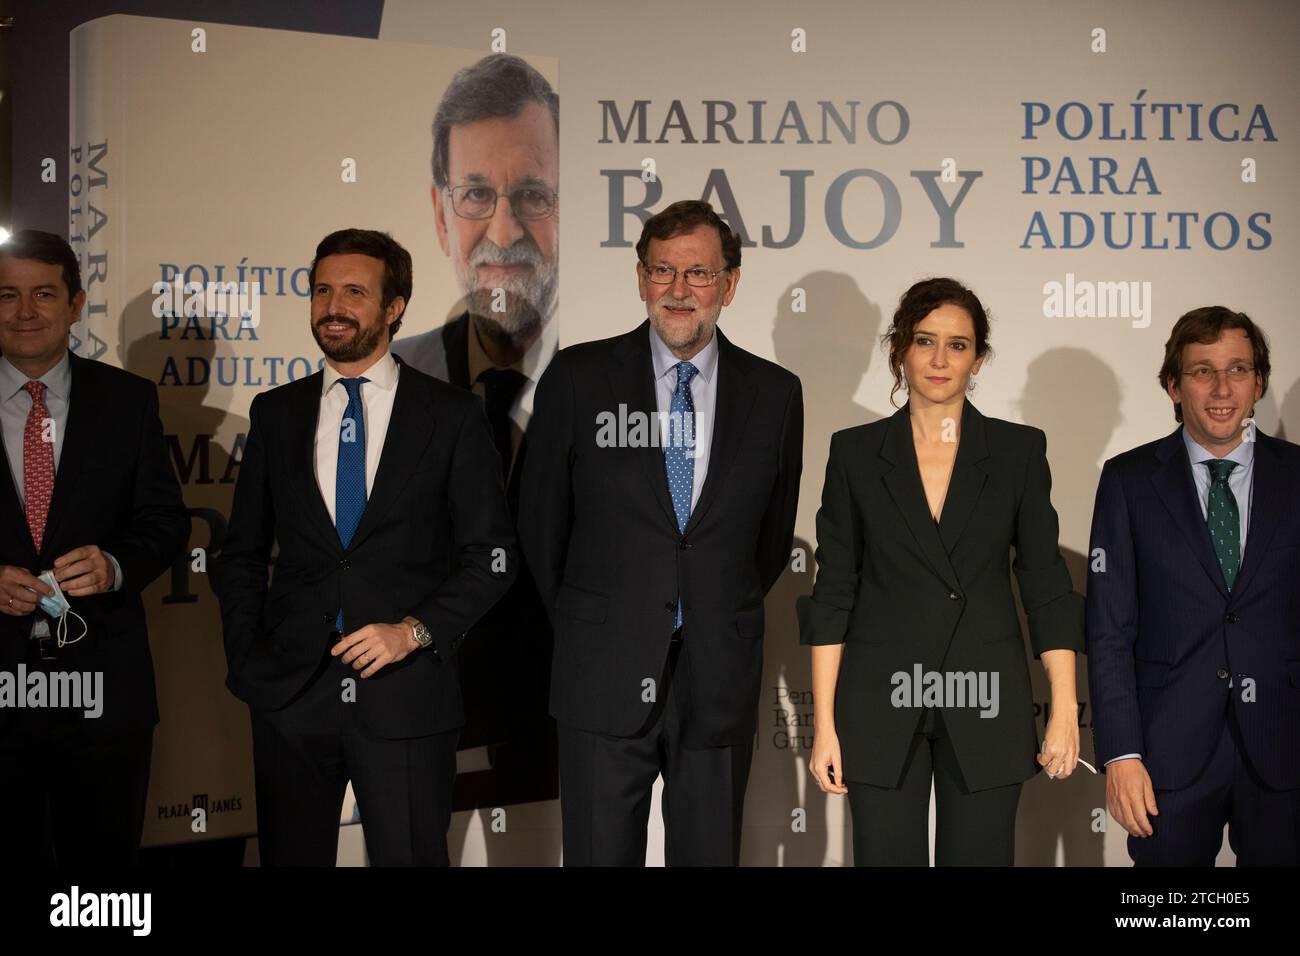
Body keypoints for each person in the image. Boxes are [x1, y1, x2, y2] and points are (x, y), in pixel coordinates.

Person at [212, 228, 516, 866]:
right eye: (322, 290)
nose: (333, 306)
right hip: (290, 697)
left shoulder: (453, 417)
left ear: (394, 305)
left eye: (354, 291)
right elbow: (239, 553)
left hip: (406, 696)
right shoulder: (276, 413)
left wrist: (415, 631)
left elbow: (492, 557)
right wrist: (248, 658)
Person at [519, 200, 802, 865]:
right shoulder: (578, 379)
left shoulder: (775, 394)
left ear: (729, 285)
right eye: (663, 271)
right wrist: (600, 621)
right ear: (641, 279)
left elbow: (768, 540)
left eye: (698, 273)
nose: (678, 291)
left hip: (715, 676)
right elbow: (539, 527)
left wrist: (702, 603)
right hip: (601, 673)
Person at [798, 277, 1083, 866]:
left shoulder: (1017, 452)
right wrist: (823, 724)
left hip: (986, 704)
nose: (939, 358)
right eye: (925, 341)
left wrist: (1065, 708)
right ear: (901, 348)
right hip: (879, 704)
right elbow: (835, 592)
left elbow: (1045, 584)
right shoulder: (854, 453)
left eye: (958, 344)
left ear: (978, 357)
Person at [391, 52, 559, 807]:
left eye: (532, 195)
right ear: (437, 213)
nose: (504, 228)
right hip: (422, 708)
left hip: (566, 717)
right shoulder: (388, 383)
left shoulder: (616, 384)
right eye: (475, 196)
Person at [0, 229, 189, 865]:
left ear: (76, 303)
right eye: (6, 295)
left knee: (98, 886)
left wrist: (113, 566)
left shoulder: (129, 401)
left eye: (43, 294)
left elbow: (164, 522)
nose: (25, 312)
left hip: (103, 694)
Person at [1087, 306, 1299, 866]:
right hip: (1167, 752)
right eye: (1203, 371)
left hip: (1285, 747)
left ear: (1259, 382)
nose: (1222, 387)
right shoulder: (1128, 480)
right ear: (1173, 385)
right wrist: (1121, 754)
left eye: (1238, 369)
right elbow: (1109, 630)